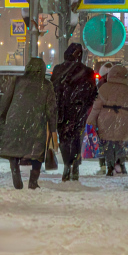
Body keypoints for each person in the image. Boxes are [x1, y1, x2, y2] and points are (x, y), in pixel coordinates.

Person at [0, 57, 57, 190]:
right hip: (36, 121)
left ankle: (15, 170)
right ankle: (33, 181)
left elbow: (6, 99)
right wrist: (53, 128)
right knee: (37, 151)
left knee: (14, 148)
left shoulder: (18, 81)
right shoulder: (46, 85)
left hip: (16, 118)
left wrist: (2, 116)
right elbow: (51, 109)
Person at [50, 43, 98, 182]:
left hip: (63, 110)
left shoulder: (58, 69)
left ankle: (66, 165)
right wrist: (85, 105)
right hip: (79, 110)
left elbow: (53, 90)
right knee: (77, 137)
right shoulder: (87, 72)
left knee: (64, 138)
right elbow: (93, 93)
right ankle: (75, 164)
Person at [89, 63, 128, 175]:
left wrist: (90, 120)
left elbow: (96, 107)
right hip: (123, 120)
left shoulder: (104, 88)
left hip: (105, 120)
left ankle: (110, 166)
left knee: (108, 144)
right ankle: (120, 164)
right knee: (120, 144)